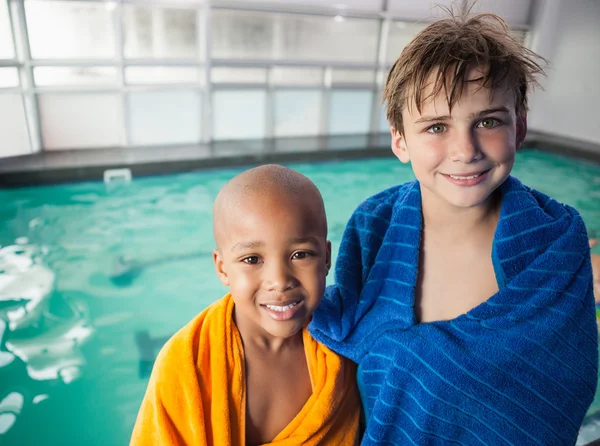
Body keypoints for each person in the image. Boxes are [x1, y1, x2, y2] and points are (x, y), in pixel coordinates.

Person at [309, 10, 598, 445]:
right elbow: (340, 322)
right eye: (437, 127)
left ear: (519, 127)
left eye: (488, 121)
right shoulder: (374, 226)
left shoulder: (554, 244)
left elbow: (561, 383)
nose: (465, 150)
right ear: (399, 140)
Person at [131, 165, 360, 445]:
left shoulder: (347, 344)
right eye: (252, 259)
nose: (279, 281)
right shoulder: (186, 363)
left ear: (326, 258)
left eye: (300, 254)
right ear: (222, 267)